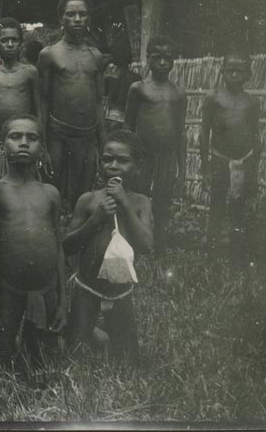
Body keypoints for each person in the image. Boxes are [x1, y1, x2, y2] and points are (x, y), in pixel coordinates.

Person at [0, 115, 66, 374]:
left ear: (43, 148)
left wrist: (63, 301)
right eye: (15, 137)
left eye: (32, 137)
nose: (24, 143)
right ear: (2, 145)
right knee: (1, 361)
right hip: (8, 289)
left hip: (45, 290)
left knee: (44, 363)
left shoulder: (50, 193)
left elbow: (58, 246)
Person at [64, 130, 152, 364]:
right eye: (107, 159)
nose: (113, 165)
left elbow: (146, 245)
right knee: (73, 354)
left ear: (138, 166)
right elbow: (68, 245)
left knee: (128, 359)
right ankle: (92, 333)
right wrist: (96, 219)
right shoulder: (89, 200)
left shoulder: (141, 202)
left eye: (123, 160)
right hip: (87, 288)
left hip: (120, 291)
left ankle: (101, 336)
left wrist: (125, 204)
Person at [39, 0, 105, 208]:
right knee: (53, 195)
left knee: (82, 198)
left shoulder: (95, 56)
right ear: (61, 19)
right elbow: (43, 101)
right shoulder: (50, 54)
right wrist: (44, 146)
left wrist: (102, 145)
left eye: (83, 14)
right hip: (58, 135)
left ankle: (76, 241)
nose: (77, 19)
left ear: (89, 18)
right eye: (71, 14)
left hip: (86, 137)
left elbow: (97, 103)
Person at [124, 35, 186, 255]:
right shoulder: (138, 89)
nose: (162, 63)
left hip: (166, 157)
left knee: (162, 201)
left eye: (167, 58)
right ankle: (134, 243)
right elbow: (128, 124)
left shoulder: (178, 93)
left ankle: (159, 245)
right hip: (143, 156)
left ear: (174, 61)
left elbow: (180, 132)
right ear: (148, 59)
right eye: (157, 57)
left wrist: (182, 170)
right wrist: (129, 156)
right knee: (138, 197)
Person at [199, 49, 261, 263]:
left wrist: (253, 169)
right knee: (216, 204)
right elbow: (204, 134)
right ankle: (212, 250)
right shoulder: (213, 98)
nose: (234, 75)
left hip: (244, 161)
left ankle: (238, 253)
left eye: (239, 71)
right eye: (230, 71)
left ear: (248, 74)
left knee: (239, 206)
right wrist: (205, 169)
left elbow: (256, 136)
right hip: (219, 160)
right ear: (222, 72)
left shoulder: (252, 103)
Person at [0, 18, 42, 161]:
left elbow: (38, 110)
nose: (10, 44)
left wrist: (41, 144)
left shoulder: (30, 72)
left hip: (23, 144)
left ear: (21, 43)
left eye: (14, 40)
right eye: (4, 40)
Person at [102, 43, 140, 133]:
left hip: (111, 117)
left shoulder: (109, 76)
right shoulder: (136, 77)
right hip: (130, 120)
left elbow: (106, 97)